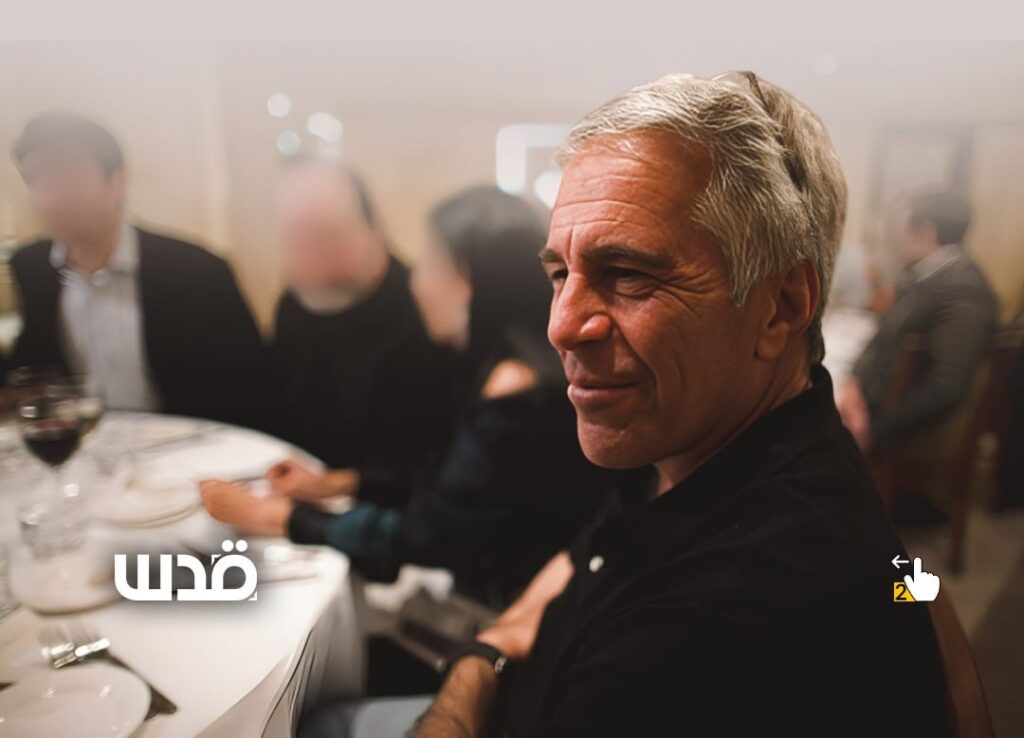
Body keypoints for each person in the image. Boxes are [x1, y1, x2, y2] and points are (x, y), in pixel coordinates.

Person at [399, 71, 951, 737]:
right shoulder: (695, 443)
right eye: (560, 274)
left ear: (781, 307)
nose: (562, 326)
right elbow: (583, 555)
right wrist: (496, 646)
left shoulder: (717, 621)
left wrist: (476, 663)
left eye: (627, 274)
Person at [202, 185, 624, 605]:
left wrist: (276, 516)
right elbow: (446, 482)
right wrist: (332, 483)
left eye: (430, 264)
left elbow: (425, 535)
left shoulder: (514, 385)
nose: (416, 283)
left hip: (514, 604)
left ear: (467, 281)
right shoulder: (503, 360)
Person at [7, 111, 269, 427]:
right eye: (36, 179)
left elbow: (251, 393)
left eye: (67, 174)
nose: (51, 195)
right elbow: (29, 370)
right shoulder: (33, 268)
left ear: (116, 182)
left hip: (183, 443)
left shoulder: (197, 273)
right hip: (82, 441)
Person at [269, 158, 455, 482]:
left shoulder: (422, 312)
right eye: (295, 239)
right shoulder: (291, 306)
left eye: (323, 237)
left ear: (371, 231)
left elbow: (425, 459)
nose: (308, 255)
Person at [838, 190, 998, 451]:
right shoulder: (929, 276)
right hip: (867, 405)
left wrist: (873, 432)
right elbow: (882, 336)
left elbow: (947, 387)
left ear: (925, 231)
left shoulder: (962, 290)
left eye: (898, 227)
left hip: (895, 433)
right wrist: (854, 384)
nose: (893, 237)